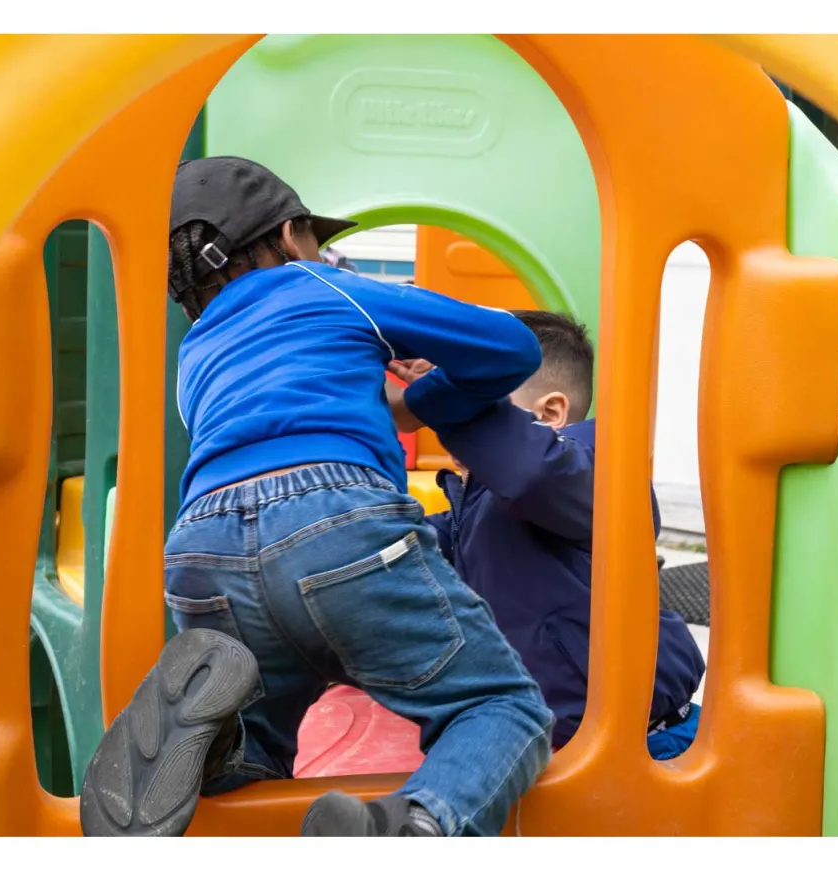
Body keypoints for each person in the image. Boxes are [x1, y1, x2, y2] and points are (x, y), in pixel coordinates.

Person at [79, 156, 554, 838]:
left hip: (203, 547)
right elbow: (511, 347)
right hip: (332, 518)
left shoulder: (196, 352)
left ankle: (218, 750)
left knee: (265, 733)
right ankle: (412, 832)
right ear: (289, 234)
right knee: (500, 704)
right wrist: (420, 399)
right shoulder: (324, 285)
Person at [389, 310, 705, 760]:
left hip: (650, 741)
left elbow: (531, 470)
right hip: (558, 746)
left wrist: (446, 403)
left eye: (481, 401)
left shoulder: (598, 471)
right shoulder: (475, 505)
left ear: (551, 412)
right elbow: (408, 545)